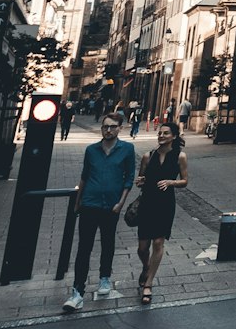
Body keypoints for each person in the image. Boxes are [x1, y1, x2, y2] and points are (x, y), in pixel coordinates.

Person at [63, 109, 137, 311]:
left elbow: (129, 178)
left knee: (107, 242)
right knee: (84, 247)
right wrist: (78, 202)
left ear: (120, 129)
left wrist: (121, 203)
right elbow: (84, 176)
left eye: (113, 127)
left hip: (111, 205)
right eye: (105, 126)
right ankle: (77, 291)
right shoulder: (91, 150)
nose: (108, 130)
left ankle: (105, 277)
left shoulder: (127, 149)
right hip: (90, 203)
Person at [133, 122, 187, 304]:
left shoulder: (180, 157)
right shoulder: (148, 156)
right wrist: (140, 180)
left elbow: (185, 181)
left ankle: (148, 283)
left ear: (173, 136)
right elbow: (141, 179)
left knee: (158, 242)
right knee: (142, 247)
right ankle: (147, 266)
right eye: (160, 133)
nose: (161, 136)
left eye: (165, 133)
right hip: (148, 202)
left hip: (165, 203)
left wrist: (171, 182)